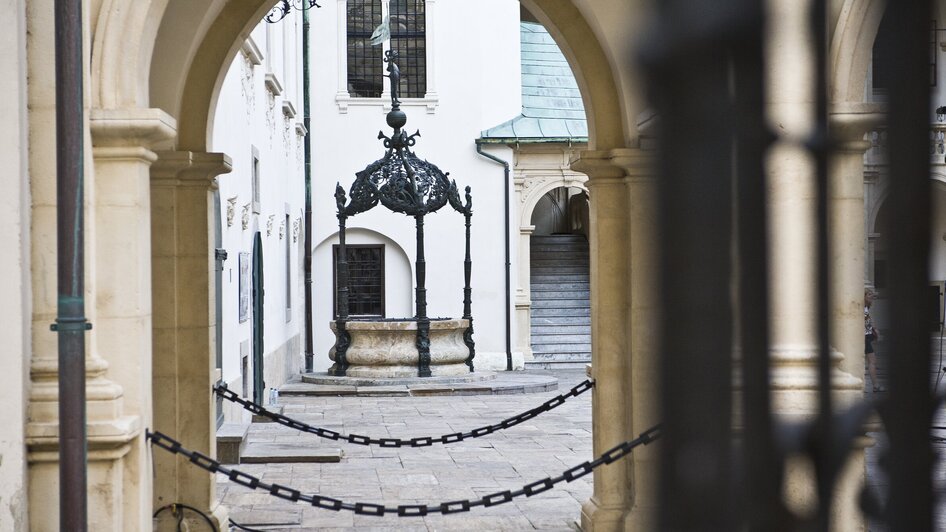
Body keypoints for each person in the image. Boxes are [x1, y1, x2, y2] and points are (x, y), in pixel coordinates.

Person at [865, 289, 884, 392]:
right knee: (872, 361)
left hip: (866, 337)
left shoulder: (866, 308)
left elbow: (868, 323)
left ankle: (875, 385)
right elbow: (866, 324)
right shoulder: (863, 308)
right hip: (864, 338)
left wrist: (874, 330)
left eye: (872, 295)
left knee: (871, 361)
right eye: (869, 295)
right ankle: (875, 385)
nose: (871, 296)